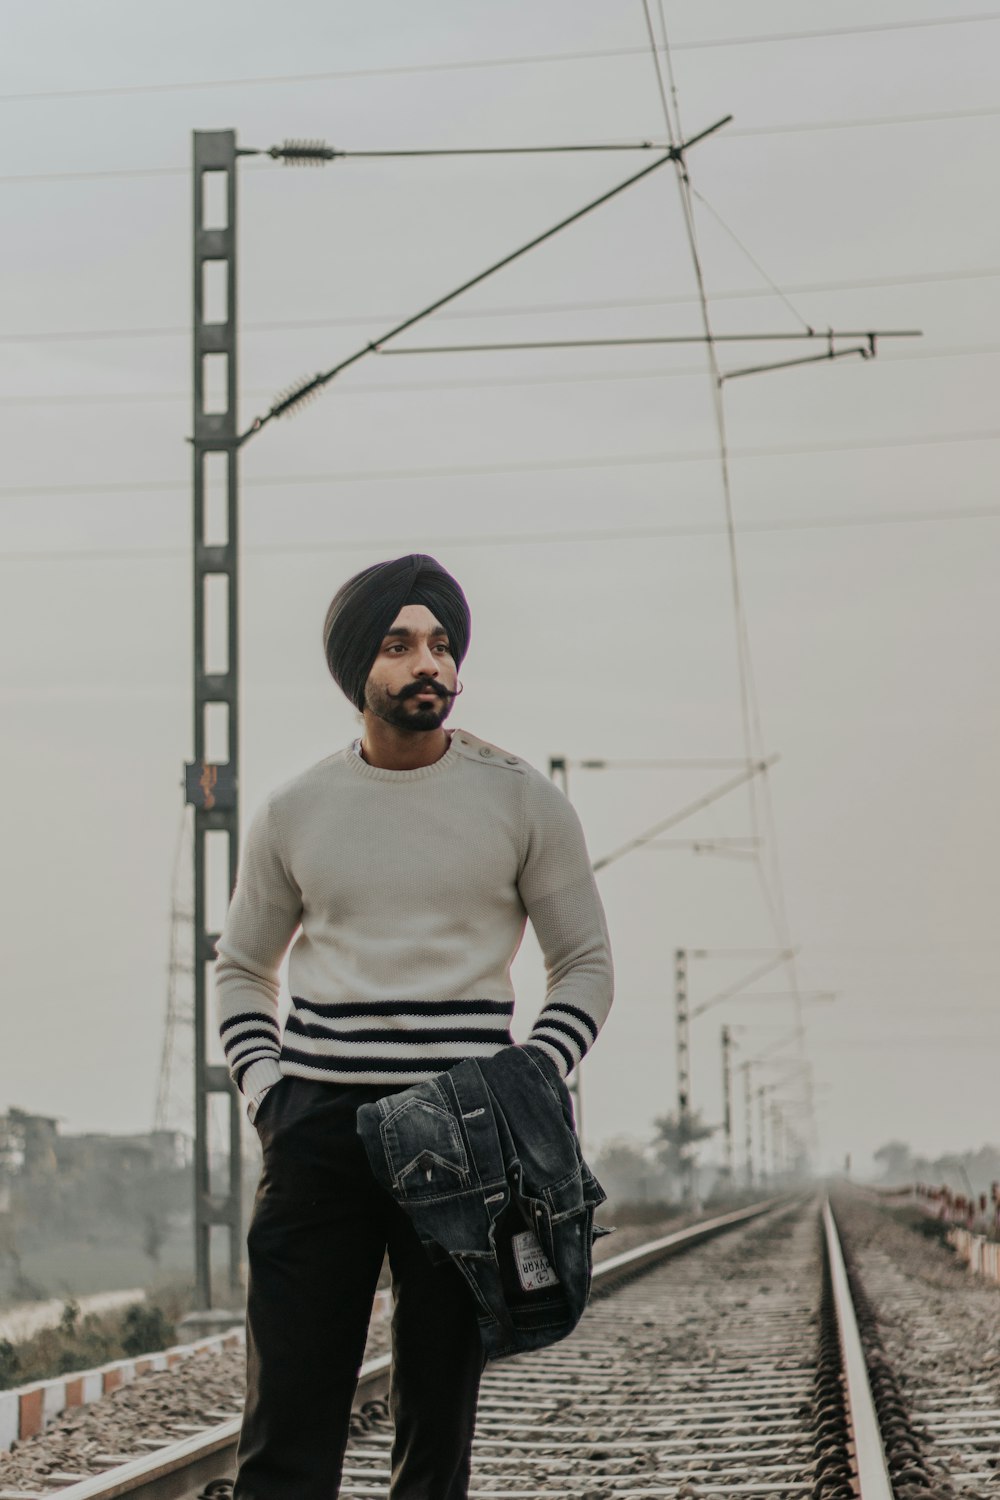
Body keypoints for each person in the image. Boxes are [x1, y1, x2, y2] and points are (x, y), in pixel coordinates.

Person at [215, 553, 614, 1500]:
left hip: (465, 1130)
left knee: (437, 1415)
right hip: (318, 1126)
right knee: (288, 1416)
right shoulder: (295, 810)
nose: (426, 664)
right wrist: (268, 1094)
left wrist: (528, 1077)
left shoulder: (522, 801)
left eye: (440, 644)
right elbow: (241, 969)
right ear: (358, 669)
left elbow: (586, 965)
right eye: (398, 646)